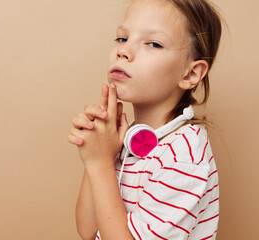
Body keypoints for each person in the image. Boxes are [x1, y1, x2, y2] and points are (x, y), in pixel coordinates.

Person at [67, 0, 223, 239]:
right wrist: (99, 157)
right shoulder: (125, 138)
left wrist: (99, 164)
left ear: (190, 73)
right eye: (122, 38)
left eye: (153, 43)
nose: (124, 51)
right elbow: (88, 231)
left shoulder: (184, 155)